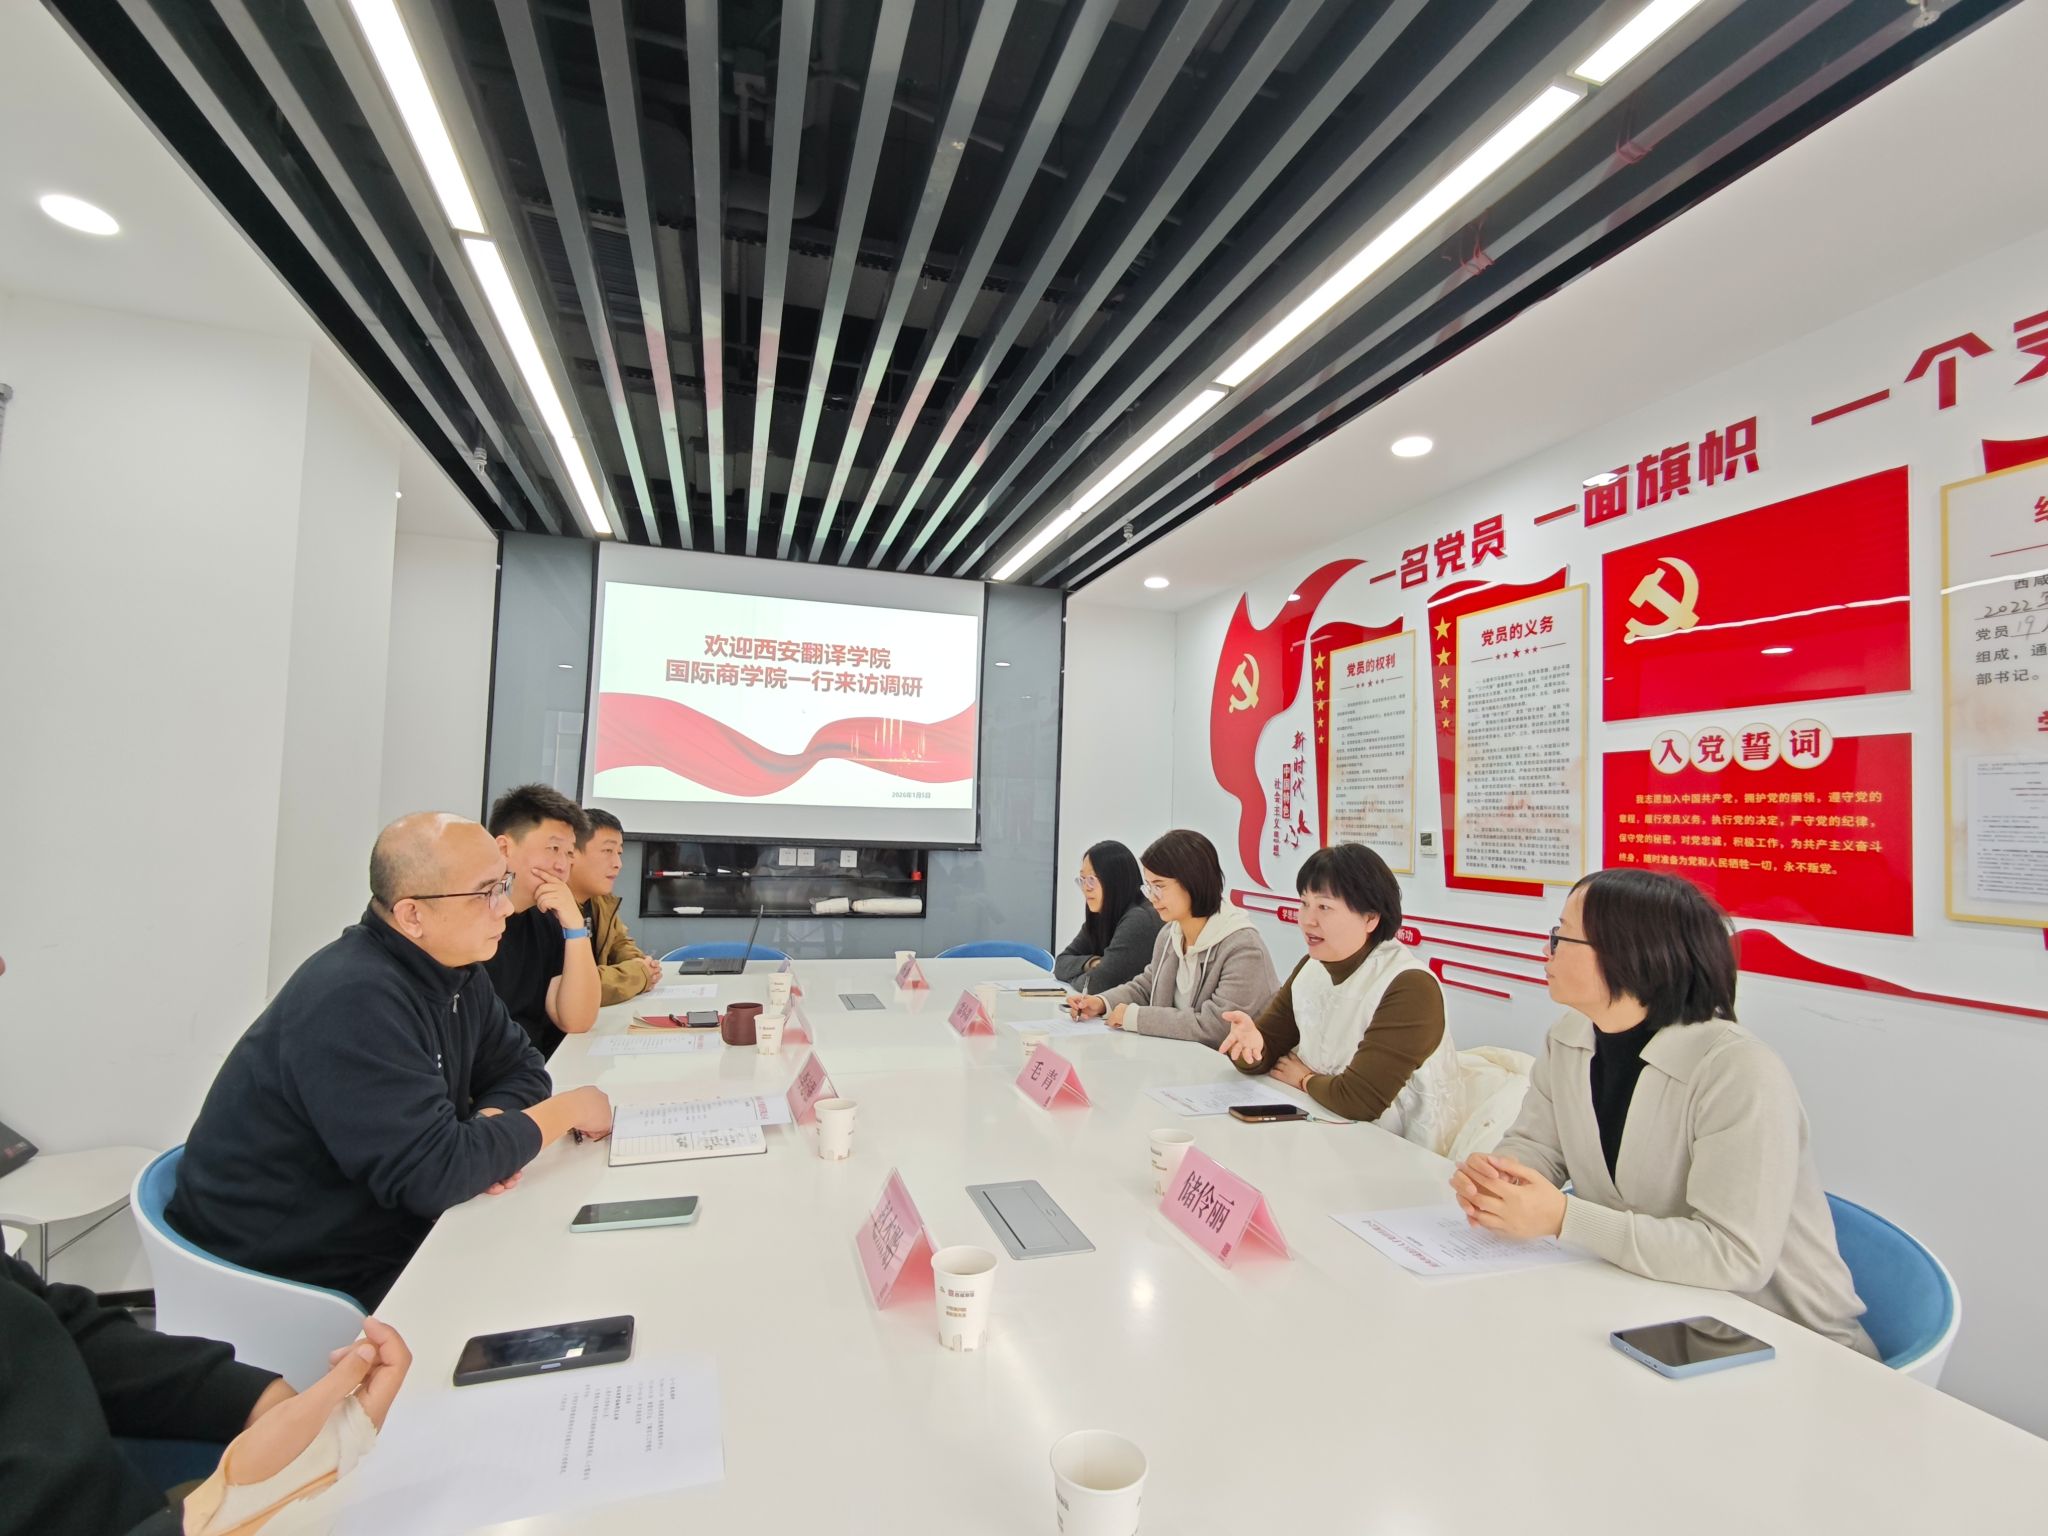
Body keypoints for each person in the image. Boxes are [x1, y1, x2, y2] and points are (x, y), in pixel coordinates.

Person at [169, 813, 614, 1310]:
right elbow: (437, 1175)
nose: (506, 907)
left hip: (383, 1223)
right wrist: (568, 1110)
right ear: (412, 915)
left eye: (503, 885)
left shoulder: (456, 970)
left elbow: (522, 1067)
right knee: (550, 1291)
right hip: (293, 1271)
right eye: (486, 892)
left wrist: (489, 1133)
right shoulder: (354, 997)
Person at [1449, 869, 1876, 1357]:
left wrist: (1565, 1217)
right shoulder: (1569, 1037)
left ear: (1628, 954)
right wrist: (1498, 1181)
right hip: (1649, 1307)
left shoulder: (1737, 1070)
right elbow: (1538, 1146)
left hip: (1777, 1339)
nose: (1546, 951)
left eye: (1560, 937)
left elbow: (1734, 1257)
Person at [1219, 844, 1461, 1151]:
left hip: (1398, 1150)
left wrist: (1304, 1079)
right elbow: (1267, 1051)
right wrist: (1248, 1047)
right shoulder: (1312, 966)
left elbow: (1359, 1100)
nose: (1307, 920)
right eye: (1304, 903)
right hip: (1323, 1130)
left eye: (1324, 907)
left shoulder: (1410, 986)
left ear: (1370, 918)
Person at [1069, 829, 1277, 1046]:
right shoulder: (1170, 934)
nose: (1152, 897)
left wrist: (1136, 1017)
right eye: (1149, 887)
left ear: (1193, 882)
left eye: (1159, 886)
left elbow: (1217, 1026)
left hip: (1228, 1065)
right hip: (1178, 1057)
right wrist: (1102, 1002)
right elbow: (1148, 985)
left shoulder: (1243, 948)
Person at [483, 783, 601, 1058]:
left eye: (569, 853)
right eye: (553, 848)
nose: (562, 865)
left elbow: (577, 1020)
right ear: (504, 848)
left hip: (535, 1067)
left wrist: (575, 927)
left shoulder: (548, 917)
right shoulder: (468, 920)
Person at [570, 808, 662, 1007]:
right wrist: (638, 974)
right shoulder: (550, 908)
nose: (618, 864)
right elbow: (573, 986)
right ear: (571, 853)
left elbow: (619, 943)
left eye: (619, 853)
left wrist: (642, 964)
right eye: (607, 851)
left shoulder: (600, 900)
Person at [1051, 840, 1161, 996]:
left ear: (1115, 881)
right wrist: (1092, 963)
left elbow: (1096, 985)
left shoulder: (1140, 919)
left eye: (1092, 880)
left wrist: (1078, 976)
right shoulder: (1101, 915)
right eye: (1082, 879)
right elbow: (1061, 963)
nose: (1086, 888)